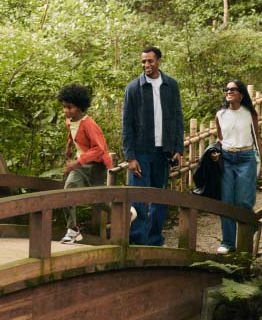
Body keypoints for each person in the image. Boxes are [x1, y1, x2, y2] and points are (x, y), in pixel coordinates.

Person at [122, 46, 184, 246]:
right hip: (141, 152)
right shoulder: (133, 88)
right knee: (137, 198)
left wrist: (178, 148)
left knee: (160, 198)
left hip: (163, 151)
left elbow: (177, 118)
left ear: (159, 61)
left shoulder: (171, 85)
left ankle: (155, 241)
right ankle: (138, 241)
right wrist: (130, 157)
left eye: (150, 61)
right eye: (143, 62)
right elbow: (127, 124)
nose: (146, 65)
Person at [215, 79, 262, 254]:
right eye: (227, 89)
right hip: (227, 158)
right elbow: (220, 138)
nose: (229, 92)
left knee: (244, 201)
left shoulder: (249, 114)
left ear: (241, 94)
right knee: (227, 202)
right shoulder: (220, 114)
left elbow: (256, 138)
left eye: (233, 89)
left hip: (246, 158)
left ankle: (246, 234)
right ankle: (228, 242)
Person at [57, 84, 113, 244]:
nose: (66, 111)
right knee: (67, 192)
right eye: (64, 107)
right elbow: (72, 132)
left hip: (96, 165)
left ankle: (125, 212)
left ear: (80, 107)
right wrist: (69, 147)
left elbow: (99, 149)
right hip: (81, 165)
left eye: (70, 107)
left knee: (98, 199)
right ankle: (73, 230)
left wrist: (77, 162)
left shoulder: (89, 124)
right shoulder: (70, 120)